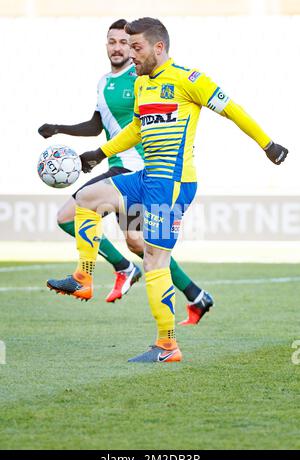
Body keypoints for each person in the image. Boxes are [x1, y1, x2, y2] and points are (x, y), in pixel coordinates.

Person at [47, 17, 288, 362]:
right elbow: (136, 129)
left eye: (137, 47)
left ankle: (167, 345)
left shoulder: (190, 80)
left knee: (154, 260)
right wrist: (100, 153)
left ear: (159, 47)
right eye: (127, 47)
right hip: (146, 177)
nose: (131, 55)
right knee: (87, 198)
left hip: (172, 185)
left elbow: (232, 109)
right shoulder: (144, 84)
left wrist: (268, 145)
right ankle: (84, 276)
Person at [39, 19, 213, 324]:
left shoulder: (141, 76)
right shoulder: (105, 82)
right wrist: (59, 129)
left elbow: (151, 119)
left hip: (136, 167)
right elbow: (97, 126)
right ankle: (195, 294)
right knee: (141, 244)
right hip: (120, 165)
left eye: (125, 43)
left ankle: (107, 272)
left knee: (70, 213)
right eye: (112, 42)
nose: (118, 48)